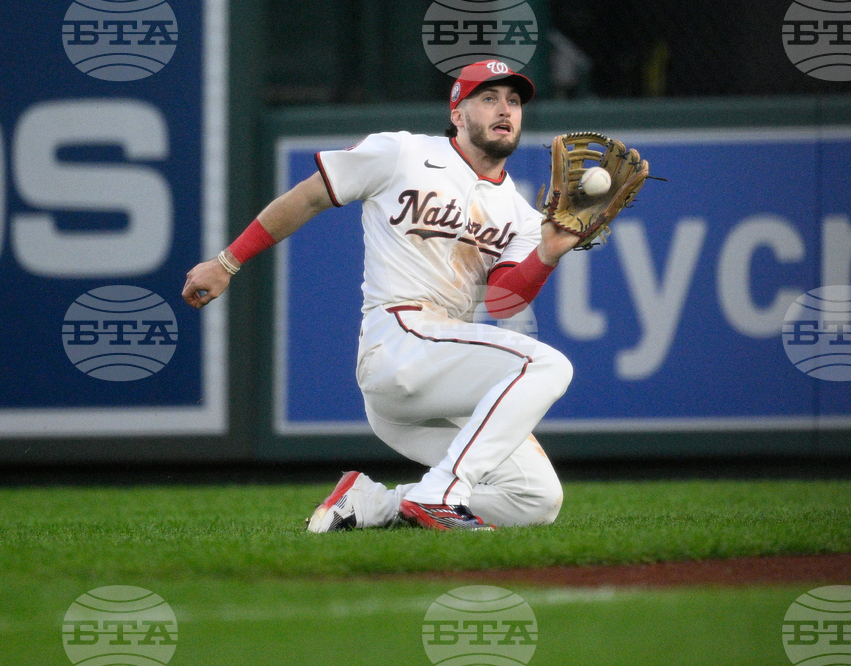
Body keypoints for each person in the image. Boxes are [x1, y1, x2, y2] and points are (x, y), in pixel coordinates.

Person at [182, 60, 580, 531]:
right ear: (457, 112)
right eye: (488, 98)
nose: (505, 109)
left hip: (439, 375)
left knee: (535, 499)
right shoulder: (401, 153)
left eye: (513, 101)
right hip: (397, 339)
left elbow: (503, 302)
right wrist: (227, 262)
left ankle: (372, 503)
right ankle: (440, 493)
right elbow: (309, 197)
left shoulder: (520, 214)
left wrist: (548, 254)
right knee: (549, 364)